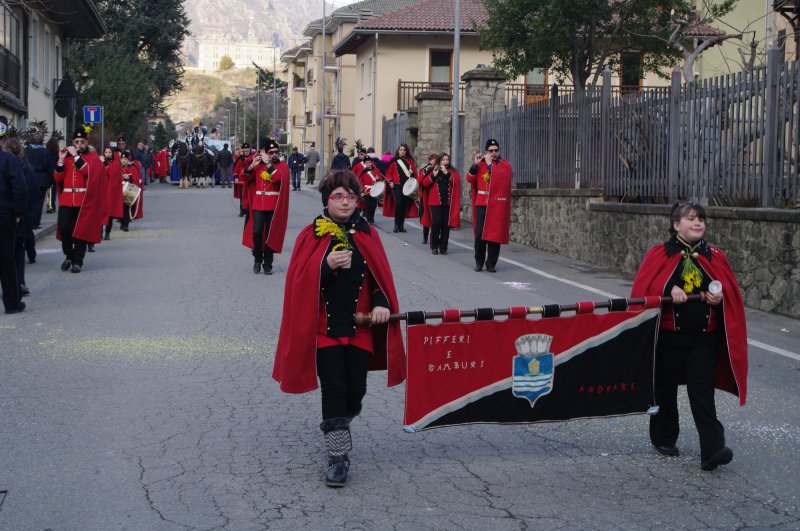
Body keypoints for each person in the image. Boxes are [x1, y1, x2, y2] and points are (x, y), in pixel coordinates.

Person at [273, 169, 406, 487]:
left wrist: (381, 303)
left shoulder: (368, 234)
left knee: (355, 391)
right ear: (326, 201)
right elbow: (298, 282)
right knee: (334, 389)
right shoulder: (312, 235)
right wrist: (325, 265)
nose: (345, 202)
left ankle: (342, 422)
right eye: (337, 196)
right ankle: (338, 457)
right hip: (325, 330)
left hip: (360, 329)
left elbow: (379, 279)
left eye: (350, 196)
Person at [631, 201, 747, 472]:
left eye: (701, 219)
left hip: (703, 340)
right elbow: (643, 289)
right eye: (691, 219)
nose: (698, 223)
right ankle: (664, 437)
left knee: (702, 393)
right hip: (669, 338)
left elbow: (728, 290)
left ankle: (712, 448)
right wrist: (668, 289)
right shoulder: (659, 254)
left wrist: (718, 297)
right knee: (665, 390)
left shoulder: (714, 256)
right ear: (676, 225)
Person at [53, 126, 106, 273]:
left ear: (86, 142)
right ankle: (69, 256)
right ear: (72, 142)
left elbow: (87, 172)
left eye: (82, 141)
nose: (79, 144)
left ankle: (78, 261)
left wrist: (76, 156)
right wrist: (61, 160)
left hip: (84, 200)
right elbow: (58, 177)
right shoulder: (68, 158)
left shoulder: (92, 158)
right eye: (76, 141)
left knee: (81, 231)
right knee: (65, 229)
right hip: (67, 199)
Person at [241, 139, 290, 275]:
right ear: (266, 153)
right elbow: (243, 178)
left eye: (276, 152)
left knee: (269, 235)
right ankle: (257, 258)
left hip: (273, 205)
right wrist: (252, 166)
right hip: (258, 203)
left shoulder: (282, 166)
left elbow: (278, 178)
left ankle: (268, 263)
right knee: (257, 232)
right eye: (271, 152)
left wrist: (268, 163)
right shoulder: (259, 166)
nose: (274, 154)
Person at [466, 139, 512, 273]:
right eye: (491, 151)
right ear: (486, 151)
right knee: (480, 234)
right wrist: (475, 165)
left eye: (496, 150)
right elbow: (470, 179)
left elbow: (502, 178)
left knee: (494, 235)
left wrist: (490, 164)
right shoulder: (481, 164)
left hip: (497, 204)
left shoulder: (505, 165)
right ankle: (479, 262)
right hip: (482, 202)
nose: (493, 153)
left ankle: (491, 263)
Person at [0, 138, 27, 314]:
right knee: (6, 260)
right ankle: (12, 302)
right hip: (4, 216)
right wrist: (17, 212)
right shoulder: (9, 160)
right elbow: (19, 186)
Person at [421, 153, 461, 255]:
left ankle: (443, 247)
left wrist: (446, 173)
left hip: (447, 202)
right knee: (436, 223)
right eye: (443, 160)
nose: (446, 161)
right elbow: (425, 183)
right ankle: (434, 246)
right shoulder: (434, 170)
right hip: (434, 202)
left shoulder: (452, 171)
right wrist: (434, 175)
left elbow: (456, 182)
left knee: (445, 226)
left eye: (447, 159)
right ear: (439, 161)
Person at [382, 143, 418, 233]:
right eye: (401, 150)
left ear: (406, 152)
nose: (402, 151)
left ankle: (401, 225)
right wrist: (390, 181)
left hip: (407, 187)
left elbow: (414, 175)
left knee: (404, 205)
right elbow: (389, 173)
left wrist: (412, 172)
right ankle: (396, 224)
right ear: (398, 151)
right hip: (396, 186)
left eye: (404, 150)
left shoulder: (410, 162)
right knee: (398, 203)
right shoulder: (394, 161)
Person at [102, 146, 123, 240]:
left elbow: (111, 173)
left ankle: (107, 233)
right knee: (100, 214)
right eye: (106, 152)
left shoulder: (116, 163)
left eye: (110, 152)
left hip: (110, 192)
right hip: (102, 191)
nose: (108, 154)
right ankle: (99, 233)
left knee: (109, 215)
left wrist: (105, 163)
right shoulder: (100, 162)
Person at [356, 155, 383, 224]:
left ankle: (372, 217)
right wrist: (361, 191)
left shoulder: (376, 170)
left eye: (369, 162)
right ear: (365, 163)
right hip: (366, 191)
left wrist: (378, 179)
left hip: (375, 190)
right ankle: (368, 218)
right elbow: (360, 183)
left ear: (371, 162)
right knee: (367, 205)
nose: (369, 164)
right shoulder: (362, 172)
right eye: (367, 162)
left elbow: (380, 180)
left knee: (373, 205)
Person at [418, 154, 438, 244]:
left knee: (434, 218)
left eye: (436, 160)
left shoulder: (438, 169)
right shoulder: (424, 169)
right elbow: (419, 180)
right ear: (430, 161)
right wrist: (426, 171)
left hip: (434, 196)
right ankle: (425, 236)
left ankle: (433, 237)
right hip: (425, 196)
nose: (434, 161)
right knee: (425, 216)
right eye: (432, 160)